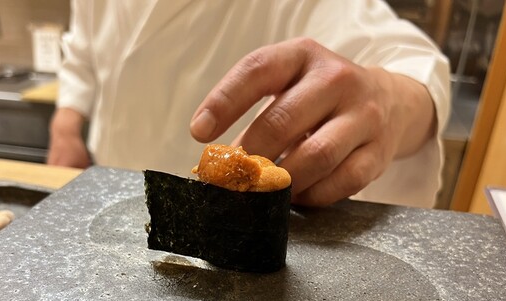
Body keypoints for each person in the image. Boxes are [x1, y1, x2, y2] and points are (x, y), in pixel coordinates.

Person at [47, 0, 450, 208]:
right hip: (107, 184)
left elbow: (407, 60)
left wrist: (386, 99)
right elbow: (83, 52)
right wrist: (66, 125)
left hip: (216, 206)